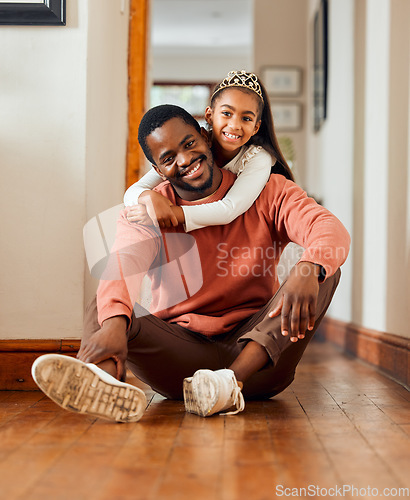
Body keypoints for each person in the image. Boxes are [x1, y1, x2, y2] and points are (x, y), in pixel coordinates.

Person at [32, 104, 350, 423]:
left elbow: (328, 228)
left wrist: (310, 267)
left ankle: (229, 383)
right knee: (104, 306)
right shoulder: (146, 210)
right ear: (157, 168)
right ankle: (105, 382)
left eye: (188, 144)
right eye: (168, 158)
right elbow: (124, 262)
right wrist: (116, 324)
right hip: (181, 362)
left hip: (259, 358)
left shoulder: (268, 191)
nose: (184, 160)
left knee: (322, 269)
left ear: (205, 136)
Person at [124, 70, 293, 231]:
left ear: (256, 127)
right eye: (227, 113)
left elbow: (230, 209)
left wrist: (171, 213)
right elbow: (133, 191)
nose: (234, 125)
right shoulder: (195, 148)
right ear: (209, 116)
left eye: (246, 118)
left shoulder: (257, 158)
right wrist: (147, 197)